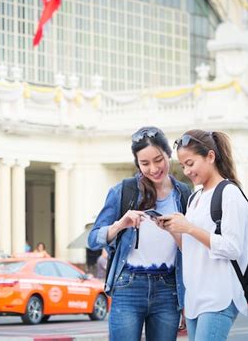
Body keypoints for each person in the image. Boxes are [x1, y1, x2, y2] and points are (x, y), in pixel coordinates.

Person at [88, 126, 191, 341]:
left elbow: (190, 249)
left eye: (158, 159)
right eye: (145, 163)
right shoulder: (123, 191)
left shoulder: (183, 194)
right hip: (128, 286)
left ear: (168, 155)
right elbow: (93, 239)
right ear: (137, 164)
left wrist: (185, 299)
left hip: (168, 289)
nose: (153, 168)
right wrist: (120, 224)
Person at [160, 130, 248, 341]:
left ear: (210, 156)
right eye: (183, 166)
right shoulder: (195, 198)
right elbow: (191, 249)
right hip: (195, 297)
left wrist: (190, 227)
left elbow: (232, 247)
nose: (187, 171)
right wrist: (174, 230)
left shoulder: (229, 193)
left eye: (190, 163)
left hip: (219, 295)